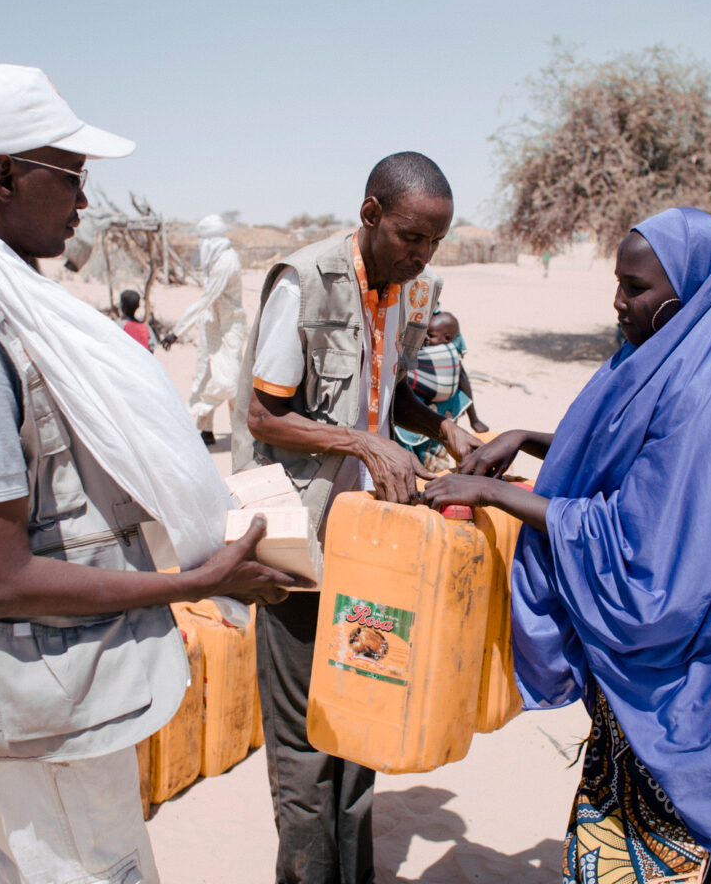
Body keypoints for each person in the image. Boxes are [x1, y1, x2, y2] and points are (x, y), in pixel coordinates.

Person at [0, 63, 302, 884]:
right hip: (34, 712)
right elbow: (4, 579)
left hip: (13, 699)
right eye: (72, 176)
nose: (84, 201)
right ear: (4, 176)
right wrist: (191, 586)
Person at [423, 208, 711, 883]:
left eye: (635, 288)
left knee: (661, 843)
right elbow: (620, 451)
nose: (618, 301)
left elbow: (638, 550)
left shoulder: (694, 398)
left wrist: (492, 495)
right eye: (617, 281)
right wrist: (525, 437)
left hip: (671, 673)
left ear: (687, 294)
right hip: (632, 686)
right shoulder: (656, 365)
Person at [232, 151, 480, 884]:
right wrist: (361, 442)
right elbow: (263, 413)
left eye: (435, 241)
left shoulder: (408, 290)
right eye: (412, 237)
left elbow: (390, 390)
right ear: (370, 214)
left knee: (362, 720)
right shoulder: (303, 283)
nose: (423, 254)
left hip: (368, 542)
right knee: (305, 751)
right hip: (294, 543)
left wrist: (446, 429)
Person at [172, 215, 245, 445]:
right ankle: (205, 430)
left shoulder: (226, 261)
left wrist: (177, 331)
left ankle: (238, 435)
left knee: (230, 379)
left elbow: (207, 298)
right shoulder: (216, 260)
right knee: (205, 375)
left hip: (229, 328)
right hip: (212, 325)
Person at [395, 310, 489, 469]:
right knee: (409, 464)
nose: (426, 339)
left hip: (439, 421)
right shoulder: (422, 345)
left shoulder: (446, 356)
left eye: (430, 335)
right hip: (409, 417)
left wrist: (474, 419)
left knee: (435, 467)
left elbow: (461, 376)